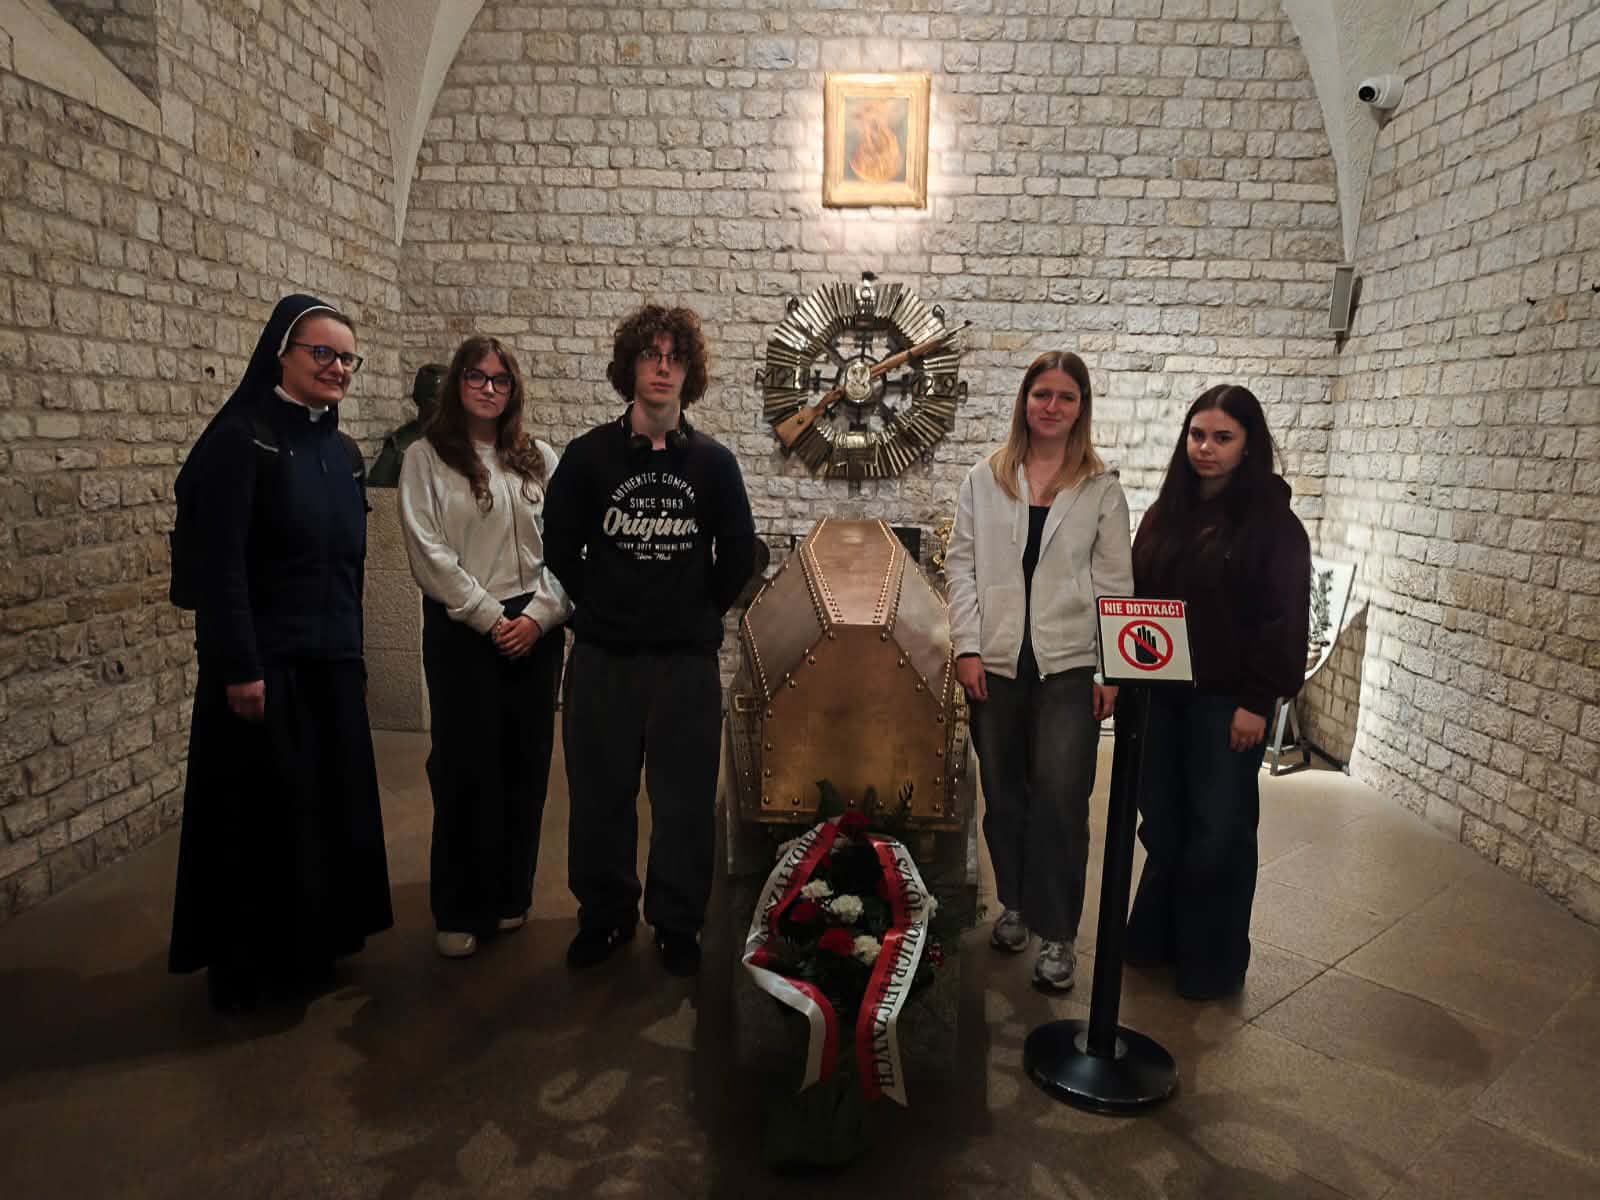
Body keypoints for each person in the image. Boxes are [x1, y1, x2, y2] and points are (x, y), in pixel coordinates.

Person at [168, 293, 393, 1012]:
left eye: (347, 358)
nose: (337, 368)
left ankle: (315, 946)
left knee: (323, 812)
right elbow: (221, 567)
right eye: (321, 353)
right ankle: (254, 967)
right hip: (266, 668)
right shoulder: (242, 440)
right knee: (263, 821)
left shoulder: (343, 452)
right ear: (281, 354)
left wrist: (354, 655)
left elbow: (348, 566)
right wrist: (240, 666)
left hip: (330, 662)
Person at [543, 304, 756, 978]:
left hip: (684, 663)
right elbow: (558, 544)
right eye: (650, 355)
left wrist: (697, 610)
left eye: (675, 358)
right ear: (629, 367)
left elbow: (739, 554)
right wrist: (601, 603)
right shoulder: (588, 457)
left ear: (689, 373)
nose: (662, 369)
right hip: (603, 658)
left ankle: (677, 921)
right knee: (599, 796)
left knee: (684, 801)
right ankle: (605, 916)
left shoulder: (714, 464)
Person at [946, 351, 1133, 992]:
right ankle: (1016, 904)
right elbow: (961, 567)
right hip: (997, 664)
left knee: (1060, 799)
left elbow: (1115, 583)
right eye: (1041, 394)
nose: (1052, 406)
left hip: (1070, 665)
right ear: (1024, 401)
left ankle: (1057, 933)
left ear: (1082, 408)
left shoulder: (1100, 489)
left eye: (1066, 396)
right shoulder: (985, 480)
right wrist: (967, 647)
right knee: (1004, 796)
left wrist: (1111, 668)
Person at [1124, 383, 1311, 1000]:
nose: (1206, 448)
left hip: (1225, 703)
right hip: (1159, 694)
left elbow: (1283, 620)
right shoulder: (1166, 514)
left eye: (1223, 438)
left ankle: (1210, 963)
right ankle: (1157, 939)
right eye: (1198, 435)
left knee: (1218, 832)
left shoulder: (1274, 527)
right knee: (1165, 821)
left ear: (1248, 446)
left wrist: (1257, 702)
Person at [398, 337, 572, 959]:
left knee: (525, 766)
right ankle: (459, 905)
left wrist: (542, 615)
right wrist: (491, 617)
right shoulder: (426, 458)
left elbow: (568, 546)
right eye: (477, 376)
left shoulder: (538, 458)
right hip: (465, 630)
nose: (488, 389)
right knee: (465, 769)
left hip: (536, 629)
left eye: (500, 380)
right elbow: (428, 551)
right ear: (458, 383)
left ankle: (509, 893)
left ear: (513, 390)